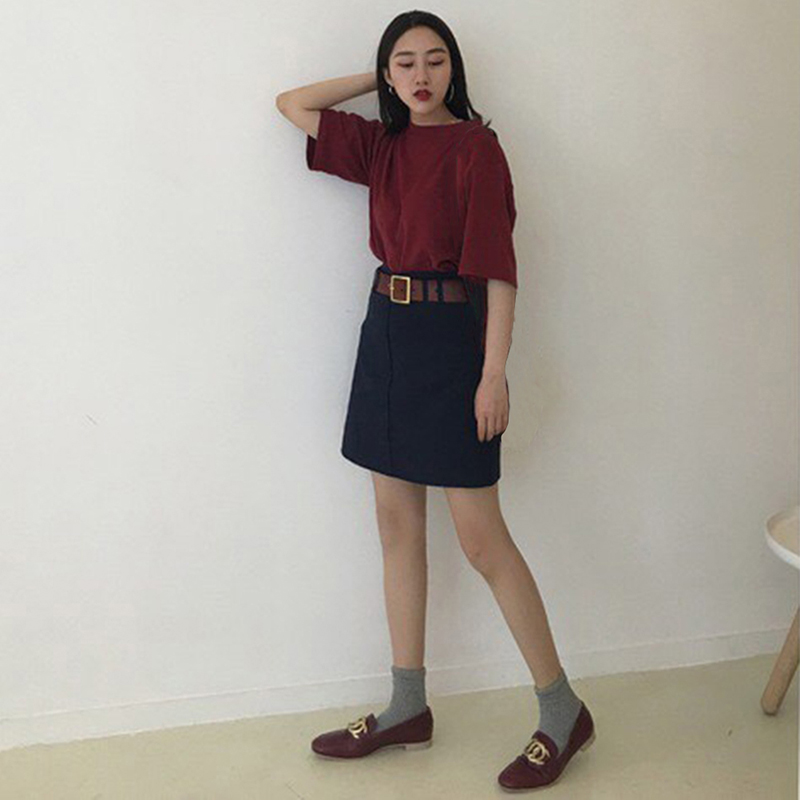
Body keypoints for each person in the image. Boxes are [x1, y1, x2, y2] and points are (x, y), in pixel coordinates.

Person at [276, 10, 595, 791]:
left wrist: (493, 372)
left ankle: (563, 710)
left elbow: (498, 268)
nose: (421, 76)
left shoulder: (476, 148)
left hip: (453, 347)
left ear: (455, 69)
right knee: (396, 528)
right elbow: (293, 104)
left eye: (435, 60)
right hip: (386, 336)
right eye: (405, 63)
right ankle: (407, 707)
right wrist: (375, 76)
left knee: (483, 541)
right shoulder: (381, 145)